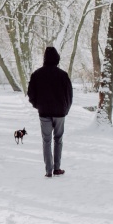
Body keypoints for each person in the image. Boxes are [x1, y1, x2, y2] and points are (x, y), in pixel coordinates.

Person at [26, 46, 73, 178]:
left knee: (46, 141)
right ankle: (57, 168)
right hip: (60, 113)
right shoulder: (63, 75)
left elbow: (31, 94)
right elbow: (69, 95)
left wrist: (38, 105)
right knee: (58, 139)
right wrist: (66, 109)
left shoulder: (37, 75)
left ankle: (48, 170)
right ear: (57, 58)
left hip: (44, 112)